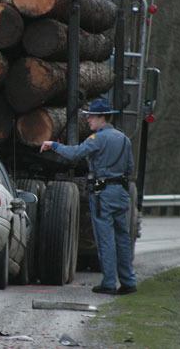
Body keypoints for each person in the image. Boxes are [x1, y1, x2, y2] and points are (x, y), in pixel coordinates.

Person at [40, 98, 137, 295]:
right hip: (121, 192)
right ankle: (128, 281)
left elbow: (75, 153)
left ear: (102, 117)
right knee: (123, 238)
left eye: (91, 116)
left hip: (103, 192)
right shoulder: (124, 139)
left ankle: (109, 283)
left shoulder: (97, 139)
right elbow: (130, 168)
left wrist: (54, 146)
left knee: (105, 239)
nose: (88, 120)